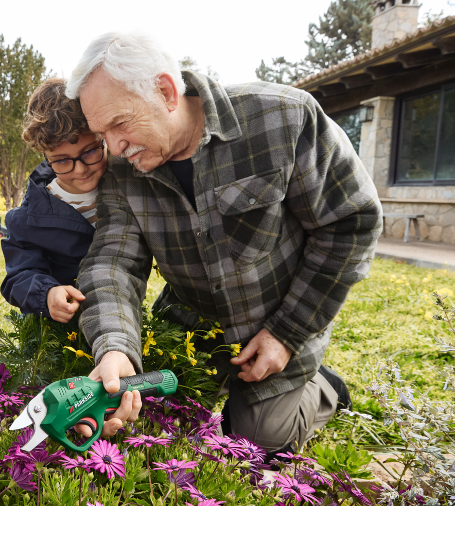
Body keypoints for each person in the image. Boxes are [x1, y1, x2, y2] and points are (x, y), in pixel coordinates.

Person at [65, 32, 383, 455]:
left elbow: (351, 223)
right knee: (154, 420)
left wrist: (287, 333)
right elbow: (112, 264)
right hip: (192, 320)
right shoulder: (123, 169)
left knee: (257, 439)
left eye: (120, 124)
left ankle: (326, 387)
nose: (114, 147)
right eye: (102, 132)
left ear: (165, 91)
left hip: (279, 318)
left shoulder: (283, 118)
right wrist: (116, 348)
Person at [0, 78, 108, 322]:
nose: (80, 170)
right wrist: (47, 293)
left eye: (90, 151)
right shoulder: (28, 217)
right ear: (45, 156)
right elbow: (18, 276)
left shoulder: (127, 185)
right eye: (61, 160)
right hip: (62, 331)